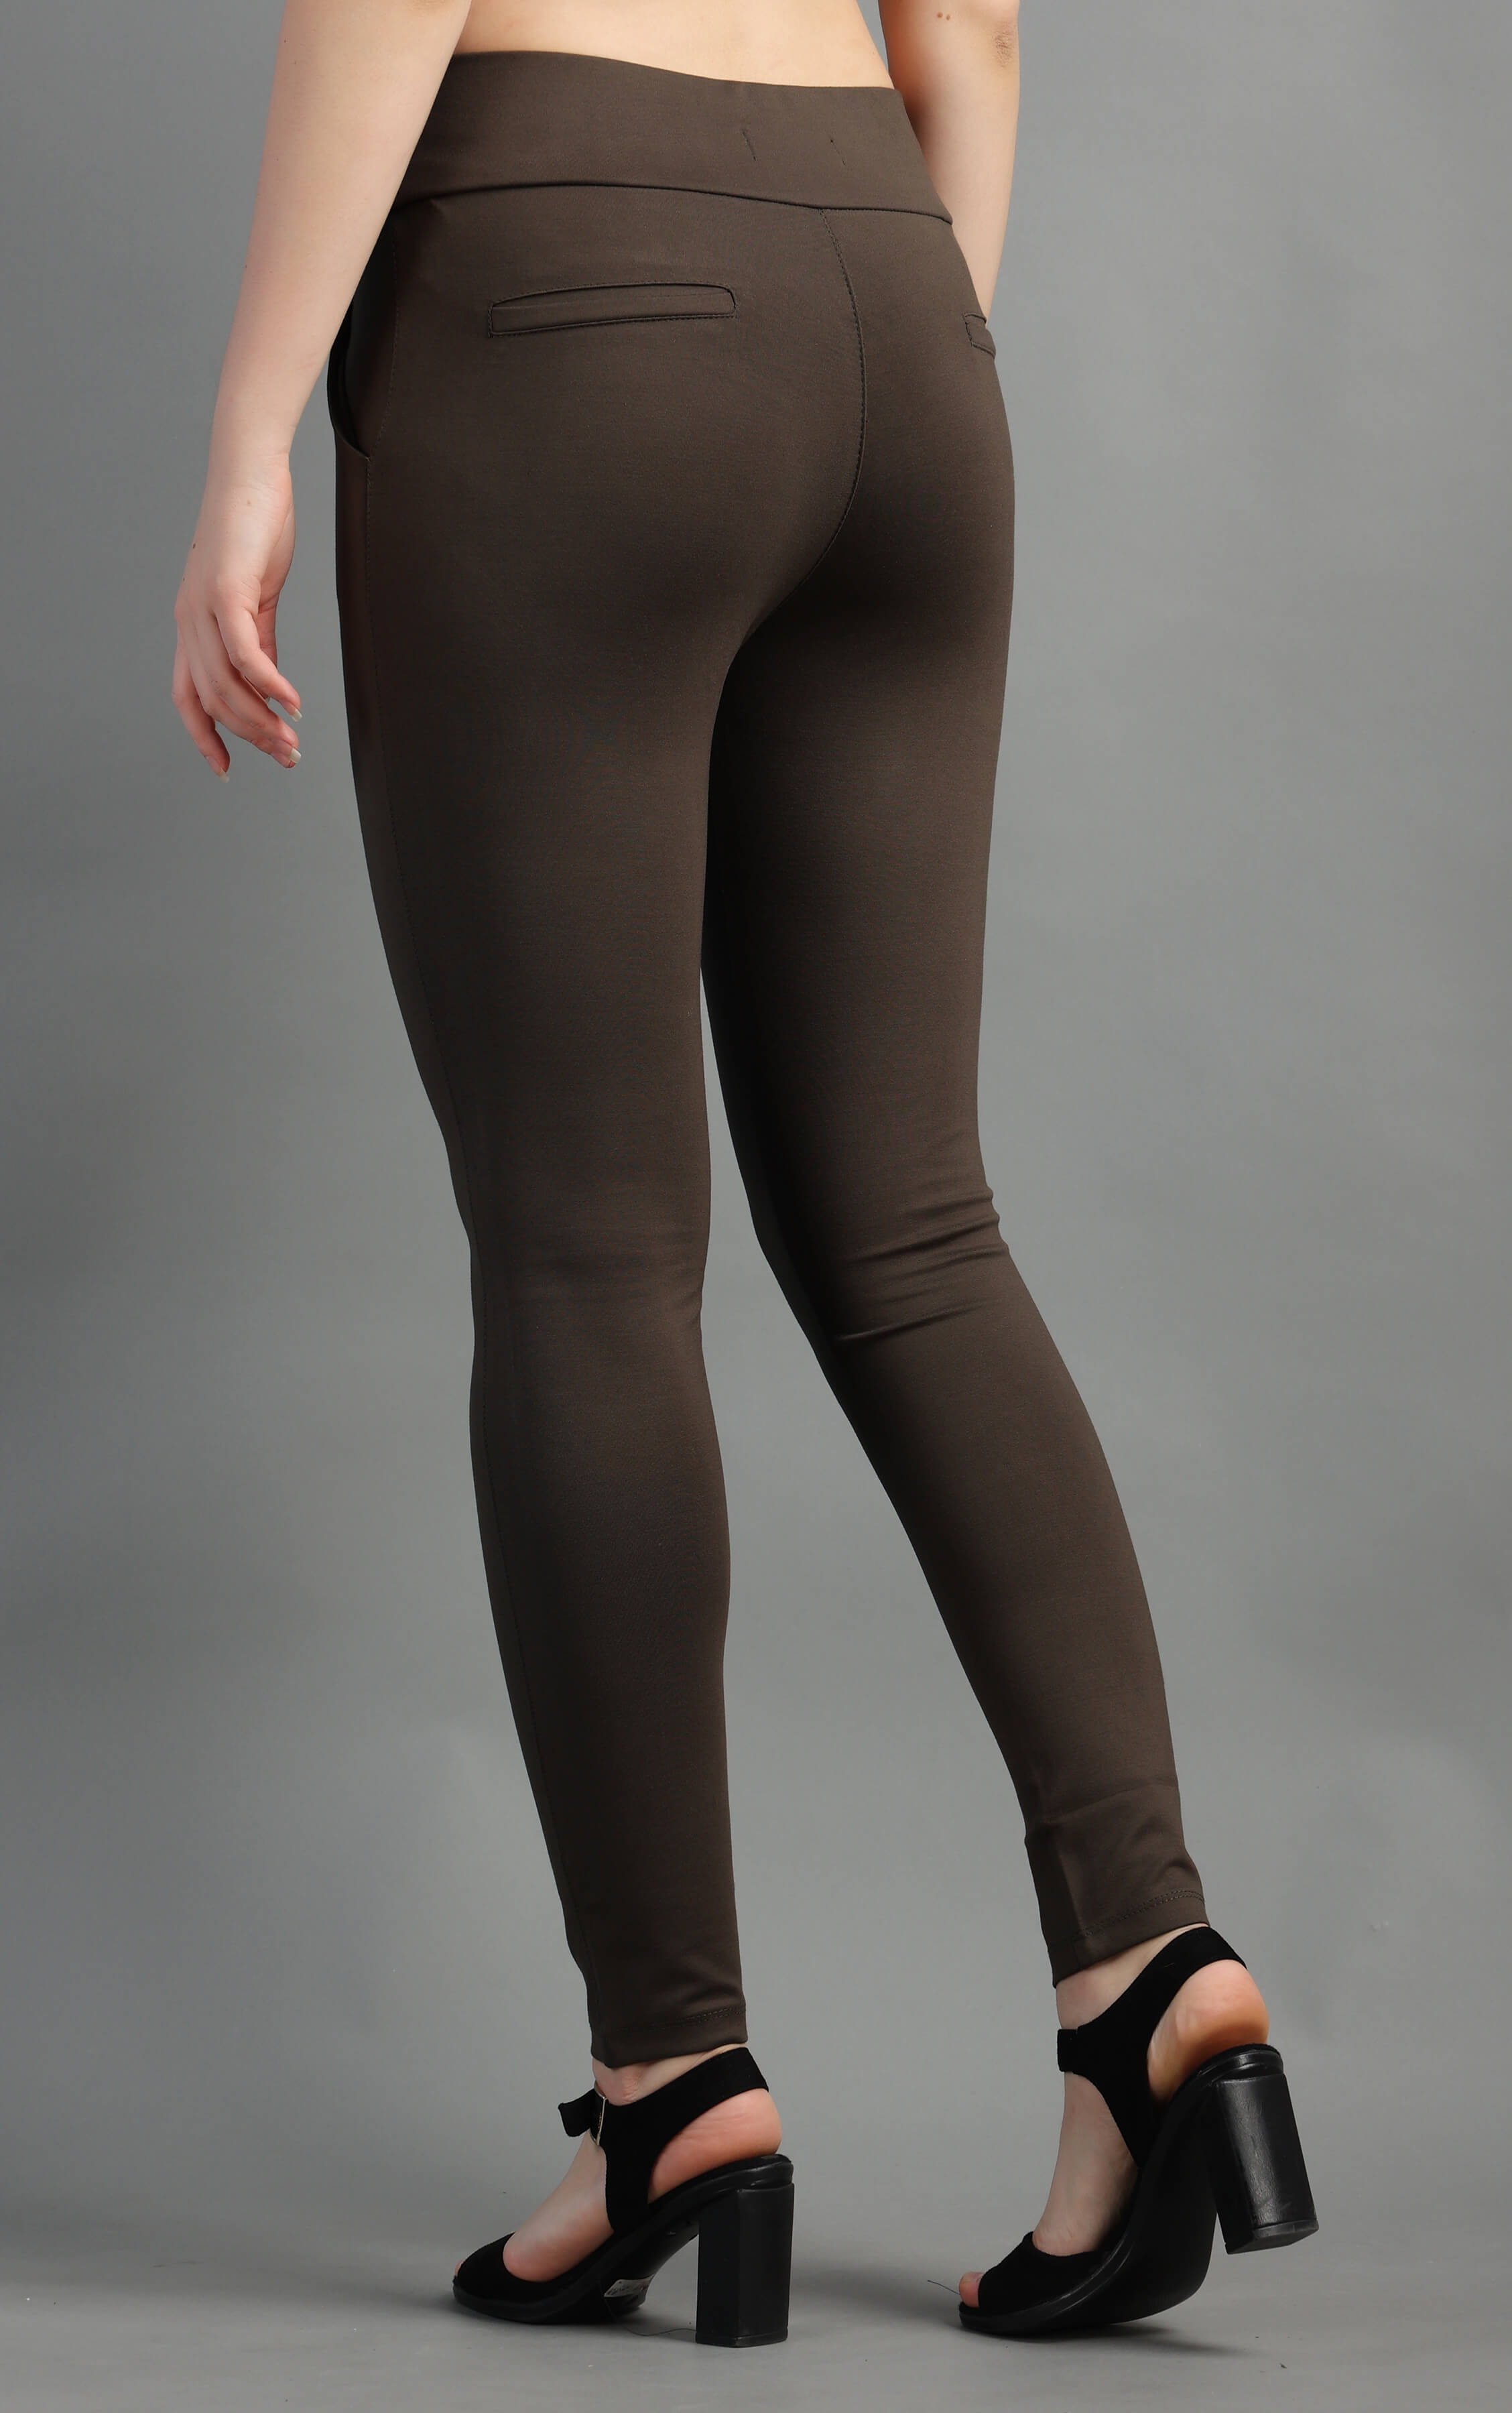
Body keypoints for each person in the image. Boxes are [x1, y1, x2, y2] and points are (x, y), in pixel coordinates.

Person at [171, 0, 1316, 2348]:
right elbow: (972, 29)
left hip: (559, 300)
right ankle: (1150, 1968)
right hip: (897, 302)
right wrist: (888, 326)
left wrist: (248, 431)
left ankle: (673, 2086)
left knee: (587, 1254)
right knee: (917, 1228)